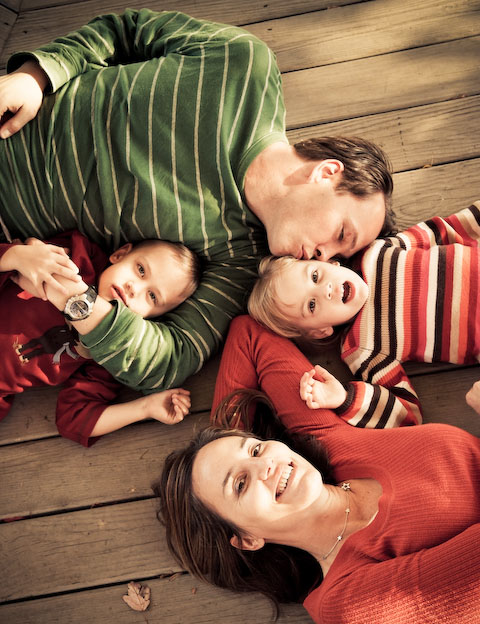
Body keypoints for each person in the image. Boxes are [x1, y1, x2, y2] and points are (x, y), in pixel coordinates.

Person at [0, 9, 395, 393]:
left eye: (339, 257)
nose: (325, 257)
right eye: (342, 233)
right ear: (327, 173)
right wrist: (34, 77)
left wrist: (76, 300)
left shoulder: (240, 263)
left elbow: (172, 358)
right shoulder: (243, 65)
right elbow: (125, 32)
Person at [154, 315, 480, 624]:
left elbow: (249, 336)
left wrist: (221, 443)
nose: (265, 465)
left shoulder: (327, 442)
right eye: (240, 484)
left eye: (255, 449)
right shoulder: (347, 604)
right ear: (247, 539)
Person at [247, 202, 480, 427]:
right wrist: (344, 399)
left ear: (332, 263)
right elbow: (406, 412)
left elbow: (446, 230)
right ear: (320, 331)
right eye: (311, 305)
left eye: (315, 276)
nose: (325, 290)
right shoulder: (362, 347)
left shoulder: (376, 251)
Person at [0, 230, 200, 445]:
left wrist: (144, 408)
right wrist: (16, 256)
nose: (135, 288)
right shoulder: (75, 261)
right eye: (141, 270)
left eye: (152, 296)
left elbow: (75, 419)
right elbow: (17, 262)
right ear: (120, 254)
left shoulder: (107, 353)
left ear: (152, 320)